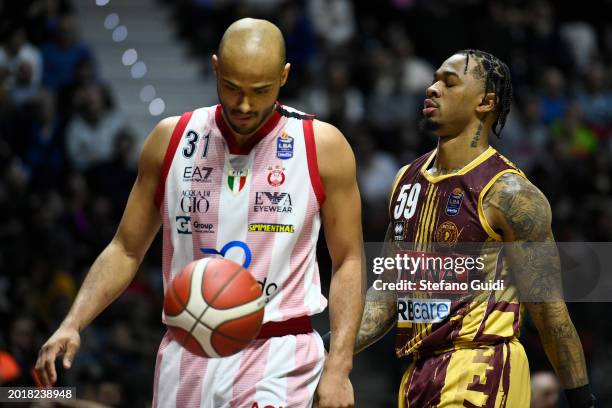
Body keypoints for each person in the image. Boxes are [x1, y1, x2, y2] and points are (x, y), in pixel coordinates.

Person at [35, 18, 364, 408]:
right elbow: (126, 248)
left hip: (279, 353)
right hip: (186, 352)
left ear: (284, 77)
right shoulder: (170, 139)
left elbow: (348, 259)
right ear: (214, 68)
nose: (243, 104)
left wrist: (339, 366)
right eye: (231, 87)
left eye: (259, 91)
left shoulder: (321, 145)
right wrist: (72, 323)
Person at [347, 50, 594, 407]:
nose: (432, 89)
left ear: (486, 102)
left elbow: (549, 311)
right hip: (418, 372)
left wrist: (581, 397)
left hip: (482, 367)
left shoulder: (509, 193)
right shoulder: (405, 180)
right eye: (433, 80)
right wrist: (327, 345)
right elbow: (387, 295)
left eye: (449, 82)